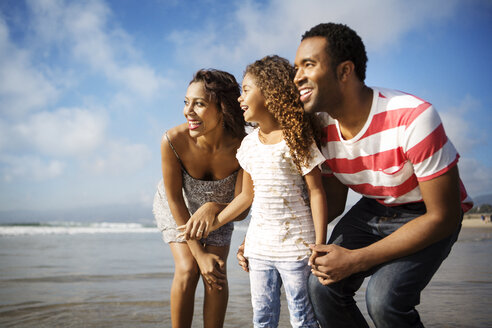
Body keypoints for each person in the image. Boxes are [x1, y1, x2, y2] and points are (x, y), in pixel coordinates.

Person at [290, 23, 473, 328]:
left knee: (383, 299)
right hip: (375, 207)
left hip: (429, 213)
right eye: (297, 67)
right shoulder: (319, 129)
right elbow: (333, 204)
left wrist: (356, 260)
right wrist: (261, 240)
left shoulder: (413, 117)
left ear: (345, 71)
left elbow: (445, 216)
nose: (297, 77)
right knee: (319, 285)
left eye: (308, 65)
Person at [181, 55, 327, 328]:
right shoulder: (248, 144)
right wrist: (215, 223)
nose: (240, 98)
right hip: (259, 250)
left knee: (303, 319)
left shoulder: (296, 139)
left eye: (246, 90)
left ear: (271, 93)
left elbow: (317, 192)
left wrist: (319, 244)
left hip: (297, 248)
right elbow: (247, 197)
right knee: (262, 318)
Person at [152, 69, 248, 328]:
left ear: (223, 108)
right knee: (189, 268)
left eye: (199, 104)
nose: (188, 111)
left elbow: (242, 208)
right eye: (186, 102)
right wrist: (198, 253)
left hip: (220, 213)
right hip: (177, 208)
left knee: (215, 271)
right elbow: (174, 200)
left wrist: (214, 207)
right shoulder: (172, 140)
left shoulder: (244, 146)